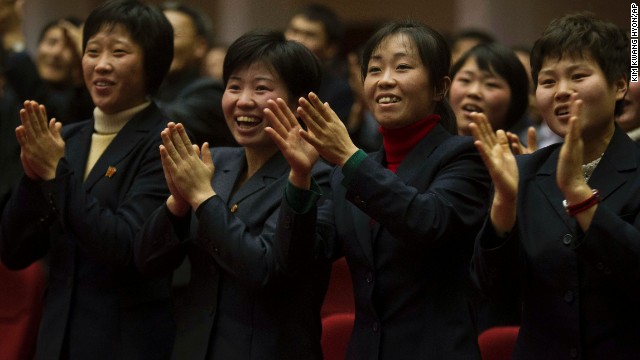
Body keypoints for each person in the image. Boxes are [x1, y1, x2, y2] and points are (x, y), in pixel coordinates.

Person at [265, 20, 491, 359]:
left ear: (440, 88)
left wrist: (347, 156)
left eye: (402, 67)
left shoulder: (465, 157)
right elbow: (301, 258)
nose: (385, 80)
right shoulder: (351, 172)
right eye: (374, 69)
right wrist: (299, 177)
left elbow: (427, 221)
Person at [135, 30, 331, 359]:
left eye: (261, 88)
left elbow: (265, 270)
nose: (243, 100)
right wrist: (178, 204)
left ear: (299, 102)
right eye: (234, 86)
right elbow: (147, 262)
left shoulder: (319, 177)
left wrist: (201, 197)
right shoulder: (218, 163)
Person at [0, 1, 176, 358]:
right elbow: (14, 251)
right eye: (92, 51)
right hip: (56, 337)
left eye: (119, 52)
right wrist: (33, 180)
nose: (101, 64)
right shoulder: (69, 139)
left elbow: (124, 245)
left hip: (123, 342)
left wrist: (54, 173)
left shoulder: (165, 142)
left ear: (152, 63)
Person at [469, 13, 638, 359]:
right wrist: (504, 204)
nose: (561, 91)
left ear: (619, 85)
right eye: (548, 81)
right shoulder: (522, 172)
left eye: (578, 76)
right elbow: (492, 292)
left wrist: (579, 194)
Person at [155, 2, 236, 147]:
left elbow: (160, 123)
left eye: (172, 34)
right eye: (155, 34)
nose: (160, 43)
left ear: (200, 46)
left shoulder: (211, 92)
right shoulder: (154, 90)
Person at [0, 0, 93, 124]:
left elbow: (47, 107)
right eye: (51, 42)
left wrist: (14, 39)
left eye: (68, 47)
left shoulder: (80, 105)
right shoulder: (11, 86)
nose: (56, 53)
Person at [284, 3, 354, 121]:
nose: (297, 40)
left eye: (310, 35)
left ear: (331, 48)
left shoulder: (340, 92)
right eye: (294, 31)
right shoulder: (272, 77)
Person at [450, 42, 529, 137]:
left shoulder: (516, 151)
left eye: (491, 84)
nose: (474, 92)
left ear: (515, 99)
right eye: (465, 80)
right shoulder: (431, 145)